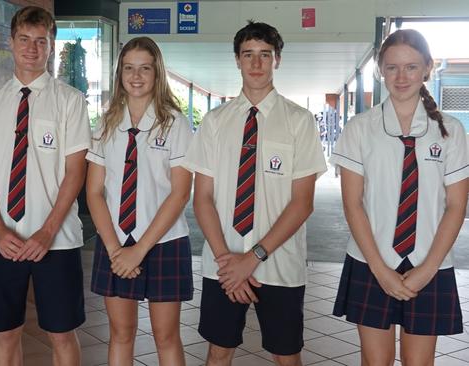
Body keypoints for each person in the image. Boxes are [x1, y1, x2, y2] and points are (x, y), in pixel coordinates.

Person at [183, 21, 327, 366]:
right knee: (218, 353)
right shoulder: (215, 122)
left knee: (286, 355)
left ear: (277, 59)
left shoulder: (299, 120)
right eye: (249, 55)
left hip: (280, 264)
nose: (257, 63)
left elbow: (302, 202)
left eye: (265, 55)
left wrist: (252, 257)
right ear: (237, 60)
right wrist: (226, 262)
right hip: (223, 264)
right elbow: (201, 197)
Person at [0, 6, 90, 366]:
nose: (32, 49)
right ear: (11, 42)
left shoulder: (70, 101)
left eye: (41, 41)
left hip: (58, 239)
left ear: (51, 46)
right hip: (1, 242)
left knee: (62, 332)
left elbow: (75, 173)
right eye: (24, 40)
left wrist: (48, 232)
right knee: (6, 332)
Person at [331, 29, 468, 365]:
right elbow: (353, 204)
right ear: (381, 71)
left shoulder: (450, 130)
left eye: (411, 66)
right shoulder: (360, 128)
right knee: (375, 362)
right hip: (370, 261)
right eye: (392, 67)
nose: (401, 76)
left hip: (430, 263)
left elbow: (456, 206)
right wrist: (380, 269)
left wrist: (427, 268)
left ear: (427, 69)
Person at [86, 36, 193, 365]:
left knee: (166, 335)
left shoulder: (175, 125)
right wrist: (117, 250)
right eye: (129, 68)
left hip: (164, 242)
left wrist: (139, 249)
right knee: (120, 332)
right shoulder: (106, 125)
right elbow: (94, 192)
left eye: (145, 68)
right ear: (120, 74)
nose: (136, 76)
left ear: (157, 74)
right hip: (115, 241)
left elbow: (180, 193)